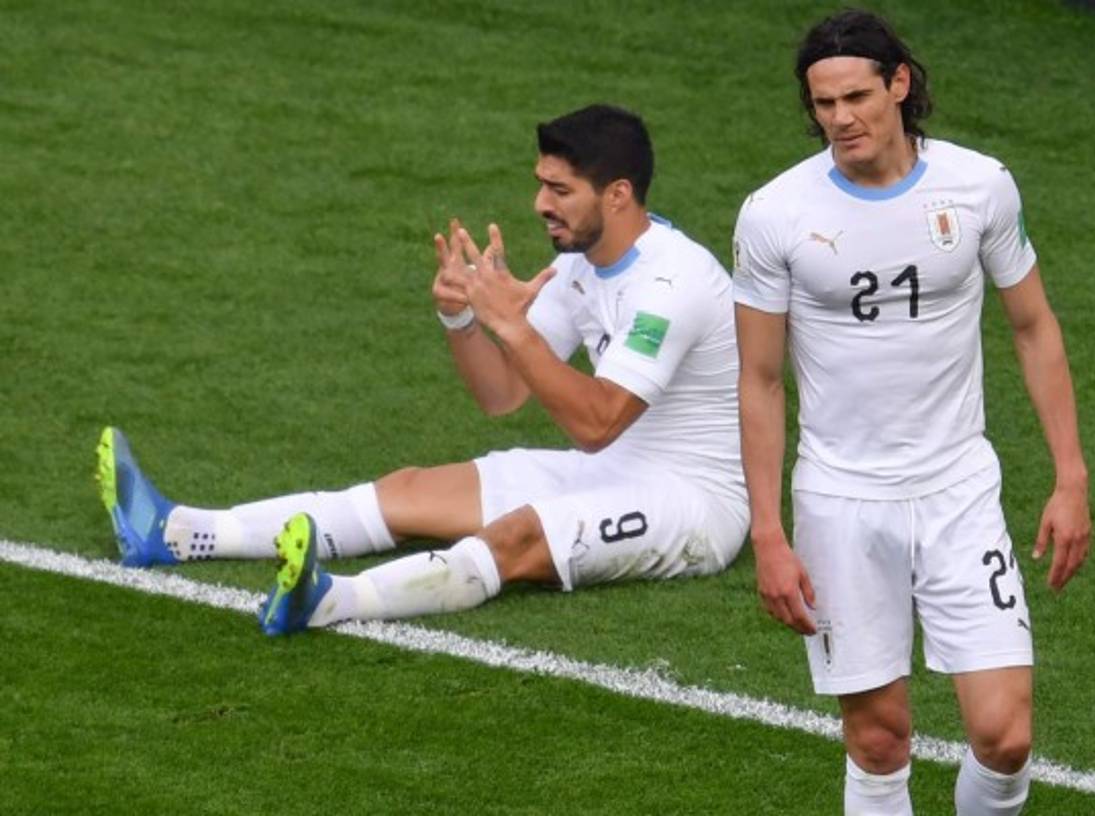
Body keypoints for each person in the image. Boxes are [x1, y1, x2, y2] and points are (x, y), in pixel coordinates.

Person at [97, 103, 747, 637]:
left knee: (515, 538)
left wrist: (513, 327)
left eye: (559, 189)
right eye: (540, 183)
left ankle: (330, 600)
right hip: (613, 469)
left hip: (690, 504)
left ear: (619, 194)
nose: (539, 203)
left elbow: (598, 420)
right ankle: (178, 532)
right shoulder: (582, 264)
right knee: (408, 491)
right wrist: (464, 319)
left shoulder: (672, 282)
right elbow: (502, 393)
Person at [732, 11, 1091, 816]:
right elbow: (759, 379)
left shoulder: (979, 187)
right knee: (879, 739)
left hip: (959, 490)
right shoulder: (775, 214)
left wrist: (1070, 476)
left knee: (1004, 737)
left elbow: (1033, 327)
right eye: (823, 104)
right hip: (840, 503)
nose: (841, 119)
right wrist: (767, 533)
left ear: (899, 85)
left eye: (857, 96)